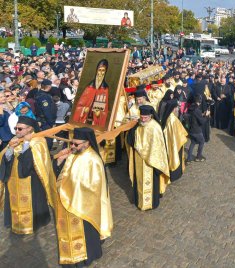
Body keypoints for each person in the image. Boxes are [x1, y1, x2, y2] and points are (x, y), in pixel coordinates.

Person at [53, 127, 113, 266]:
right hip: (70, 200)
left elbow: (93, 187)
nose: (72, 146)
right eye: (71, 143)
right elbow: (63, 174)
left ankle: (87, 257)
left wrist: (71, 190)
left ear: (87, 143)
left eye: (76, 144)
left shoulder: (93, 159)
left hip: (85, 205)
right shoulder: (73, 154)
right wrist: (59, 161)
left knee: (87, 234)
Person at [0, 116, 55, 234]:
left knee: (33, 203)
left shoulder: (38, 141)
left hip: (31, 180)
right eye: (16, 128)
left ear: (30, 129)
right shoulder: (14, 139)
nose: (16, 131)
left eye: (20, 129)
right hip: (13, 180)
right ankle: (15, 223)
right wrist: (10, 149)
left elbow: (32, 163)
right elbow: (5, 158)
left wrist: (26, 144)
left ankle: (34, 224)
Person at [127, 105, 170, 210]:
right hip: (139, 159)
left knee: (151, 183)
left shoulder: (155, 127)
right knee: (139, 181)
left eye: (145, 118)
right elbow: (131, 140)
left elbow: (159, 147)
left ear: (150, 116)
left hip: (151, 162)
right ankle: (139, 201)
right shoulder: (138, 125)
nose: (143, 119)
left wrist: (151, 157)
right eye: (141, 117)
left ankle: (152, 203)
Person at [72, 59, 110, 127]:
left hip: (94, 122)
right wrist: (84, 109)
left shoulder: (104, 89)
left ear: (106, 72)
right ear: (96, 70)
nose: (101, 73)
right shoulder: (89, 87)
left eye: (103, 70)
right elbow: (79, 105)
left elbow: (105, 109)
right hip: (84, 119)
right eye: (99, 70)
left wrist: (99, 113)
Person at [160, 100, 188, 181]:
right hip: (175, 143)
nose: (178, 109)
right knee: (176, 157)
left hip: (171, 141)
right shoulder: (173, 119)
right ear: (173, 108)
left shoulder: (169, 116)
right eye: (177, 107)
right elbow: (178, 134)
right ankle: (176, 175)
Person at [186, 95, 207, 162]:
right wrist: (206, 116)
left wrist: (202, 115)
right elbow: (202, 121)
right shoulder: (197, 110)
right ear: (199, 102)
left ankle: (189, 158)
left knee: (193, 142)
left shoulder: (191, 107)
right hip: (196, 130)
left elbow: (195, 116)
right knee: (202, 141)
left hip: (190, 129)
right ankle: (198, 156)